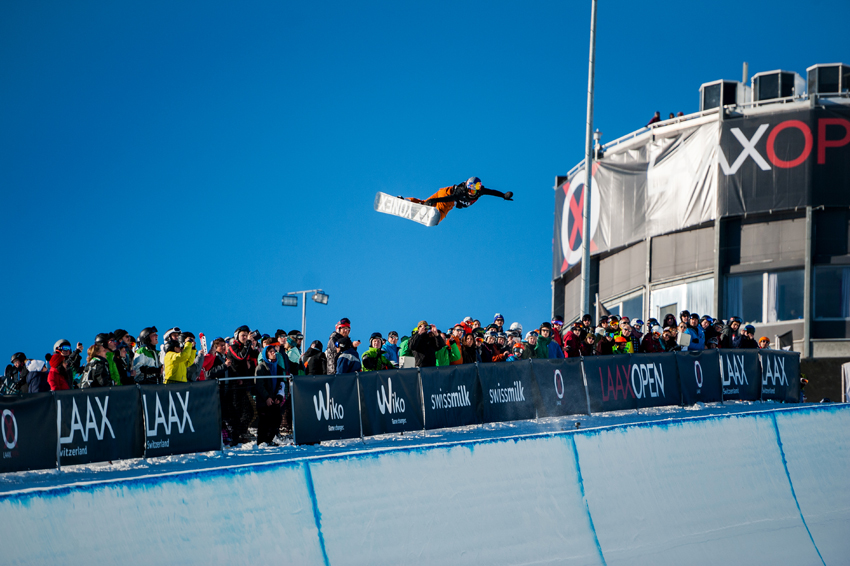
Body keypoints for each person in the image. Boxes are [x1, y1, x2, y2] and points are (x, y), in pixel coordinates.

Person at [404, 177, 513, 224]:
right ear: (467, 187)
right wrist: (435, 201)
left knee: (424, 204)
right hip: (448, 196)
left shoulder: (481, 191)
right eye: (470, 190)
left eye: (474, 191)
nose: (471, 193)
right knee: (441, 211)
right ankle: (434, 217)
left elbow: (492, 192)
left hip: (445, 191)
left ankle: (406, 201)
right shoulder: (462, 191)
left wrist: (503, 195)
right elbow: (451, 198)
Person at [255, 344, 284, 446]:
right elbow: (259, 384)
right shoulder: (261, 367)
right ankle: (261, 442)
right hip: (264, 400)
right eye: (270, 351)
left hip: (275, 399)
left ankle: (269, 440)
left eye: (273, 351)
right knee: (264, 422)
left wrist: (279, 396)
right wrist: (267, 397)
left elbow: (281, 383)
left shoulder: (278, 367)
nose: (273, 353)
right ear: (265, 354)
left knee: (276, 420)